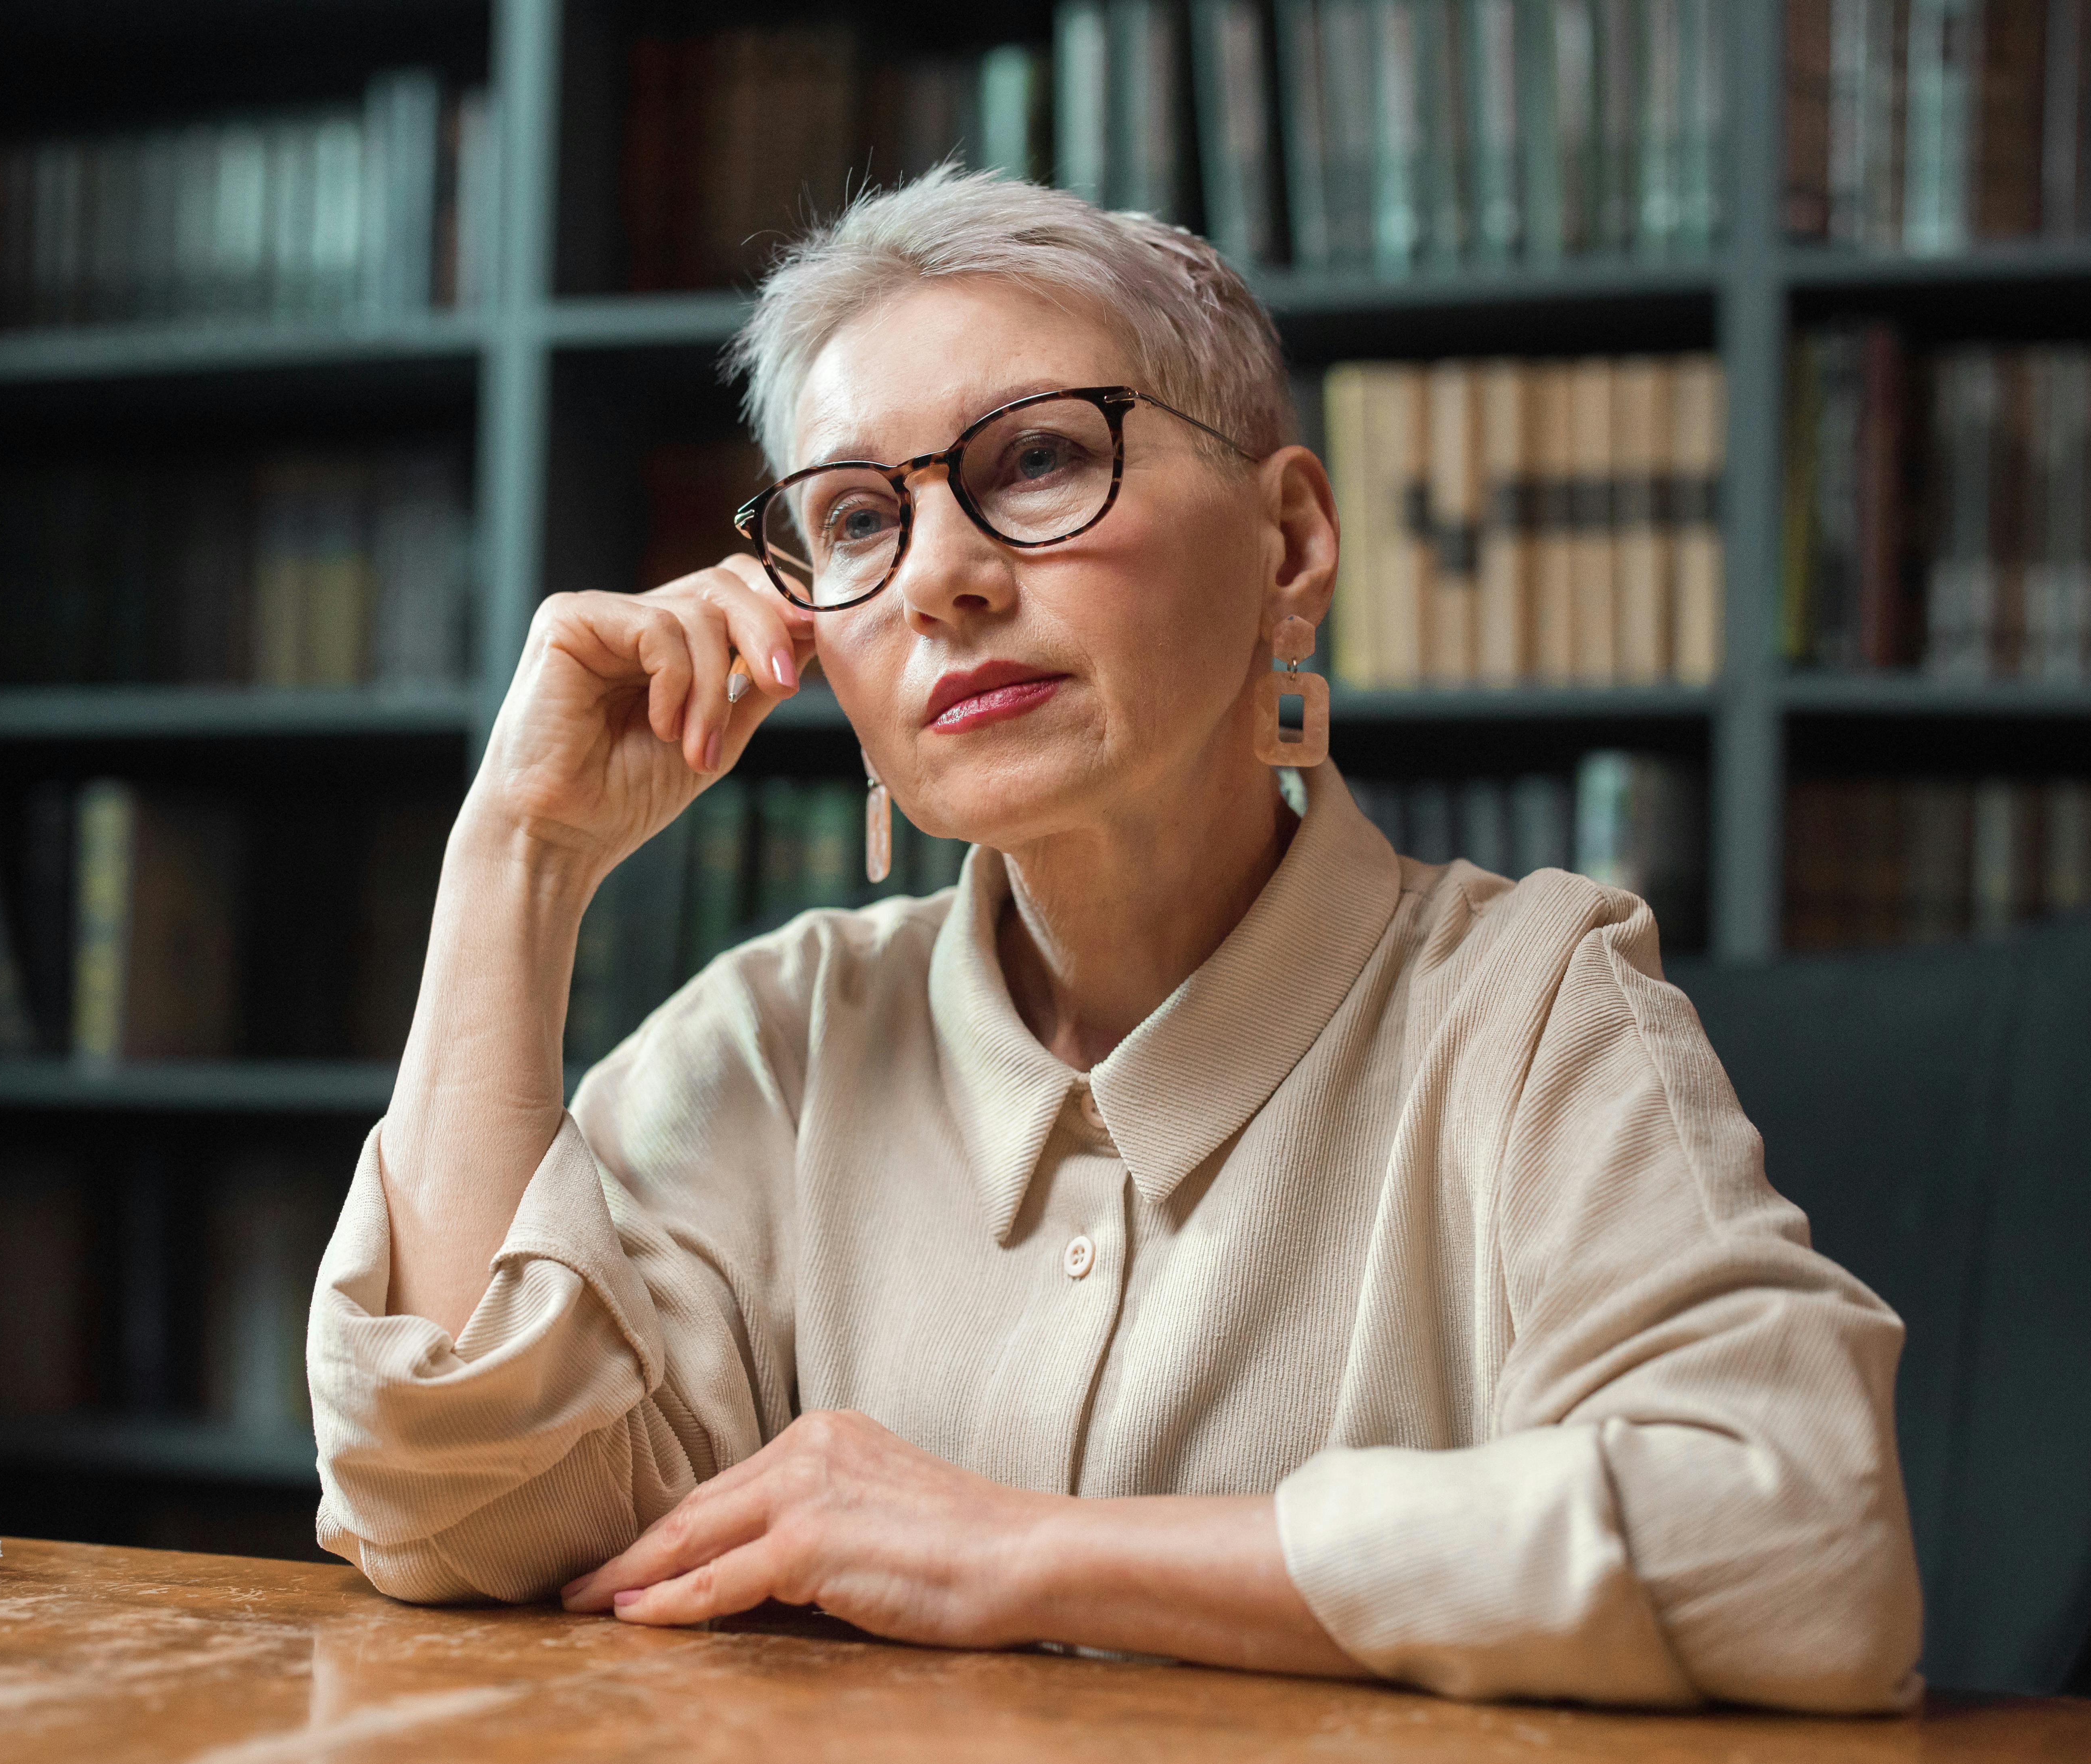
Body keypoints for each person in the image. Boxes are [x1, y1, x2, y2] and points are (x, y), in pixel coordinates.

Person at [307, 168, 1921, 1711]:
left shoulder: (1530, 1009)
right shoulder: (776, 1038)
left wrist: (1023, 1553)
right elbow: (459, 1513)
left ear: (1288, 545)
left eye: (1032, 462)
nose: (940, 575)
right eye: (857, 516)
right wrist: (520, 854)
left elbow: (1800, 1545)